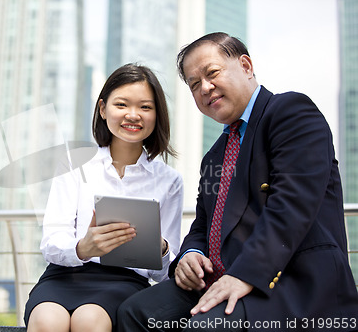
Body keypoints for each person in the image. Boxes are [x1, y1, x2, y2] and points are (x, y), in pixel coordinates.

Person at [117, 32, 358, 332]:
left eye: (212, 73)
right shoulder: (214, 155)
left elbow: (292, 206)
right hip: (219, 279)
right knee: (134, 312)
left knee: (205, 327)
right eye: (194, 85)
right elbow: (204, 224)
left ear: (245, 65)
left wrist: (245, 274)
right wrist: (191, 255)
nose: (205, 87)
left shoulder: (291, 113)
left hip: (288, 281)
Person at [24, 63, 184, 332]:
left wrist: (161, 249)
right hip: (65, 274)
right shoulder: (74, 164)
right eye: (121, 104)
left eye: (145, 107)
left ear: (157, 115)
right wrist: (83, 248)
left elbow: (166, 274)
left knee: (90, 319)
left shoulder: (169, 181)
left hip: (125, 281)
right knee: (47, 320)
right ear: (102, 109)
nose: (133, 115)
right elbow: (51, 243)